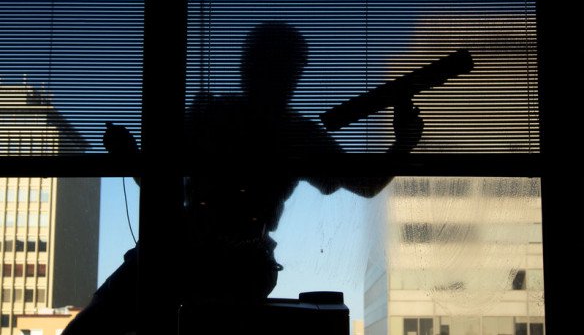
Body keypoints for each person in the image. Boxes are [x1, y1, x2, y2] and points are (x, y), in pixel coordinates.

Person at [62, 21, 423, 335]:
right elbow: (366, 183)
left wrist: (132, 159)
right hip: (236, 266)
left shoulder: (216, 116)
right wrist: (403, 144)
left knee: (95, 328)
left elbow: (160, 184)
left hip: (180, 254)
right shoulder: (293, 133)